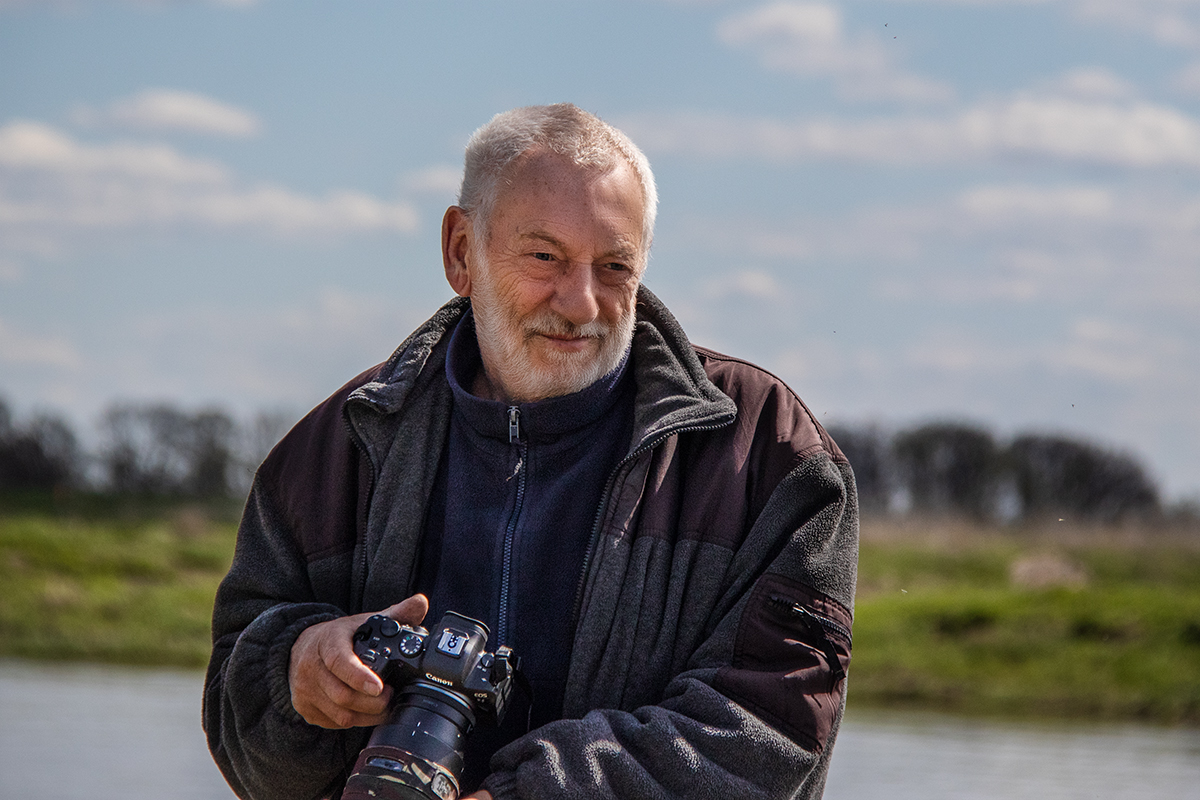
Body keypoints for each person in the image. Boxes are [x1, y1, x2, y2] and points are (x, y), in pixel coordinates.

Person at [203, 103, 858, 800]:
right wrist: (300, 671)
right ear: (461, 251)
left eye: (614, 266)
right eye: (544, 256)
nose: (581, 302)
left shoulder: (767, 453)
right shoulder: (330, 451)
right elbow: (238, 729)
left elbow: (769, 731)